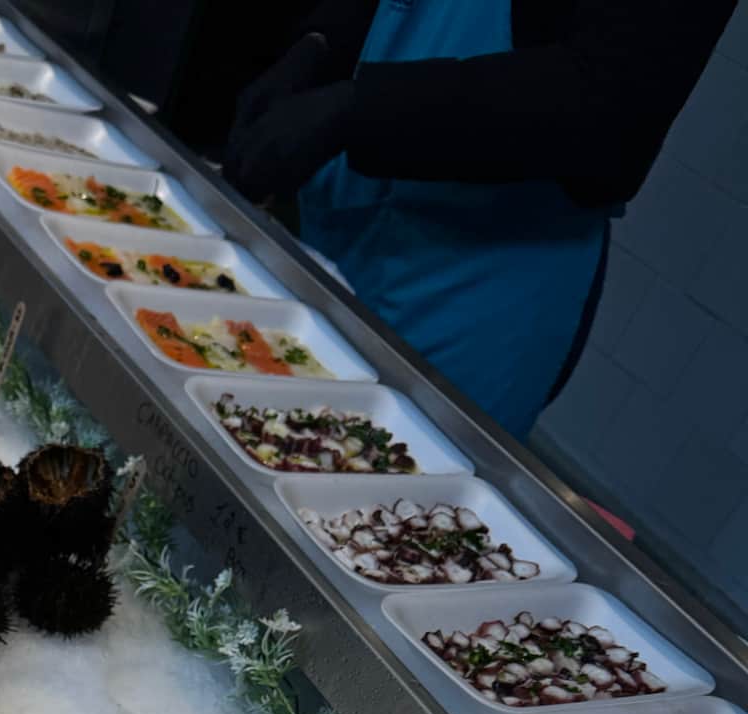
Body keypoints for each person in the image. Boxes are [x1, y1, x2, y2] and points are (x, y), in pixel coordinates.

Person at [219, 0, 735, 438]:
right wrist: (318, 45)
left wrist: (356, 109)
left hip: (480, 279)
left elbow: (606, 109)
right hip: (343, 218)